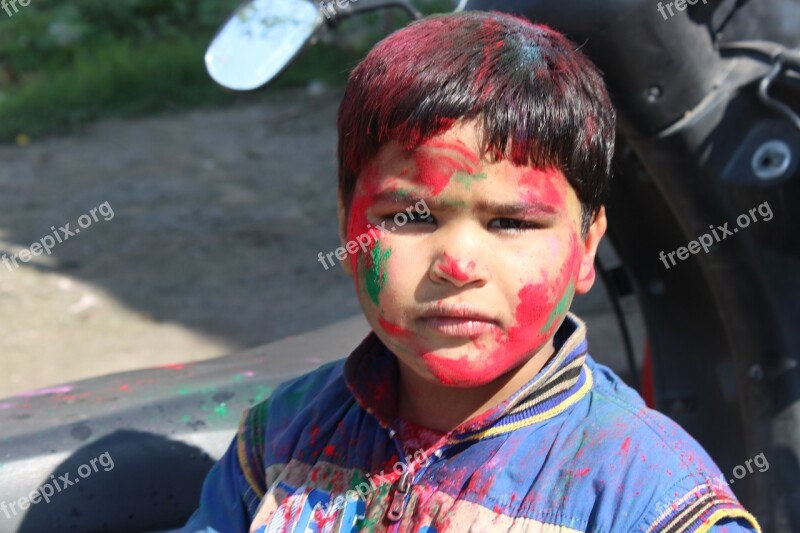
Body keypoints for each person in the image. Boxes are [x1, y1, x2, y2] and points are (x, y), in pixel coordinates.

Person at [181, 11, 761, 532]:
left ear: (586, 248)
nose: (457, 265)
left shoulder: (649, 499)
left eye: (511, 222)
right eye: (410, 216)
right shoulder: (282, 436)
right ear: (347, 228)